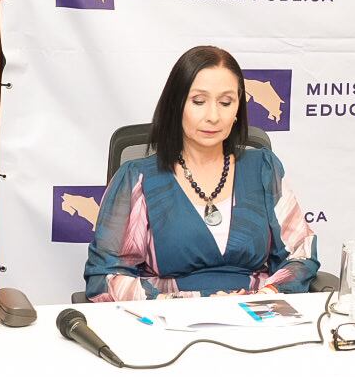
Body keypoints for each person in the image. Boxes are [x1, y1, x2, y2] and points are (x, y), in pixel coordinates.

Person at [85, 46, 317, 300]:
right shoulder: (137, 177)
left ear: (238, 109)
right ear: (176, 105)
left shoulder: (263, 168)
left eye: (226, 102)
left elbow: (300, 253)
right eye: (198, 101)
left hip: (254, 317)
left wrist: (264, 295)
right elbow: (106, 275)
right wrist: (173, 304)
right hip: (167, 321)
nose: (213, 116)